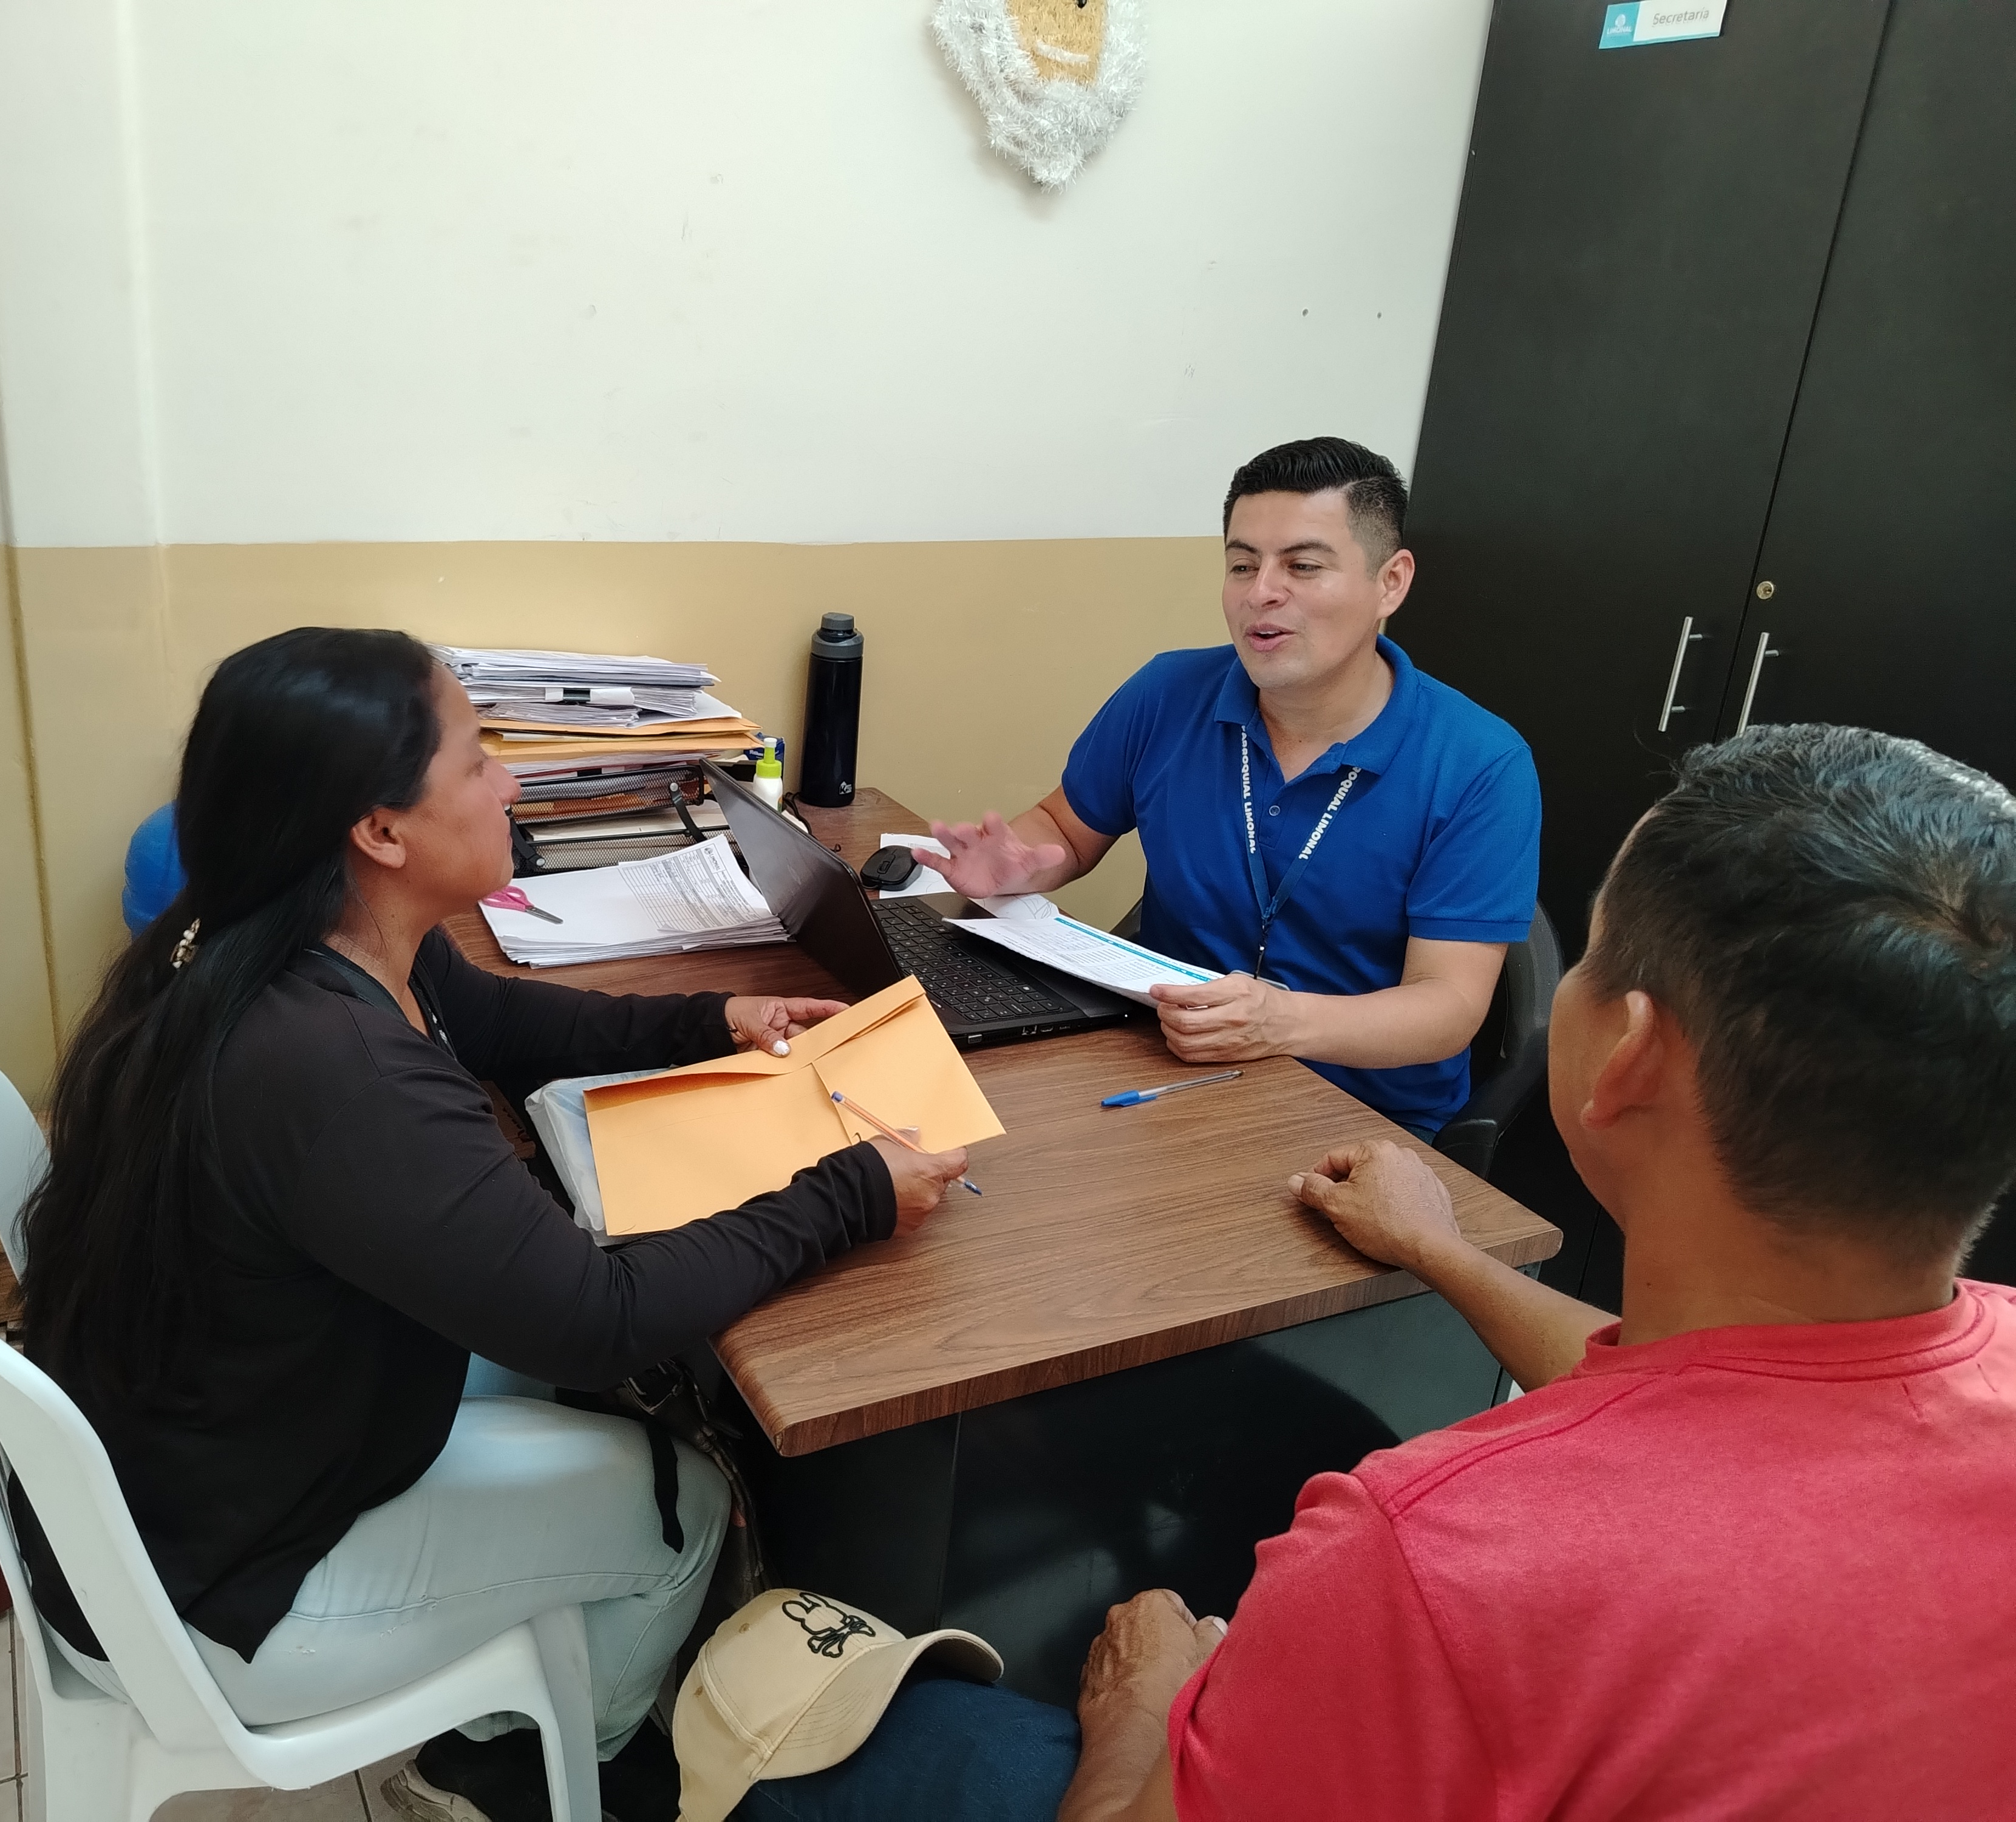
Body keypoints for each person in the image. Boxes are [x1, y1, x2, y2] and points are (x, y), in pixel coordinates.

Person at [739, 723, 2016, 1820]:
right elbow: (1706, 1406)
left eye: (1590, 955)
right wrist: (1439, 1250)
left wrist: (1146, 1705)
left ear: (1628, 1055)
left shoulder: (1427, 1559)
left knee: (816, 1718)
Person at [12, 629, 968, 1782]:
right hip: (223, 1590)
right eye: (476, 761)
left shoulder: (280, 933)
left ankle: (536, 1694)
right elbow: (600, 1318)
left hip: (196, 1462)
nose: (510, 784)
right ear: (381, 831)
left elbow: (504, 1023)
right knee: (688, 1504)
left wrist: (714, 1019)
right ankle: (525, 1779)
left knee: (587, 1375)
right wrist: (853, 1192)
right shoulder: (336, 1069)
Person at [920, 436, 1540, 1137]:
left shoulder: (1480, 763)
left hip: (1356, 1116)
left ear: (1390, 582)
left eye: (1302, 566)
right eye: (1242, 564)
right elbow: (1064, 829)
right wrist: (1015, 868)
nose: (1260, 592)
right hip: (1159, 1065)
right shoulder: (1167, 692)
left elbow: (1448, 1007)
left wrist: (1280, 1022)